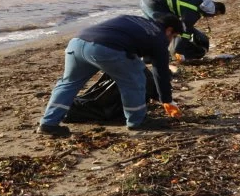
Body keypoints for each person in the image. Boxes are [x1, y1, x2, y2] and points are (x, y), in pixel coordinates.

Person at [37, 14, 183, 137]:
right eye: (174, 36)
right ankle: (137, 121)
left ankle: (48, 123)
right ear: (169, 30)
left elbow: (141, 50)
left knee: (69, 83)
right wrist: (167, 100)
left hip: (77, 43)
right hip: (105, 49)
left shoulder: (134, 19)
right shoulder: (159, 37)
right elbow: (161, 72)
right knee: (135, 80)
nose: (171, 41)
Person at [139, 0, 225, 59]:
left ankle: (149, 53)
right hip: (154, 4)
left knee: (155, 29)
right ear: (214, 11)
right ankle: (149, 56)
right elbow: (184, 31)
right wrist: (179, 52)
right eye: (215, 15)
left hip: (149, 0)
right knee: (165, 29)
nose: (213, 17)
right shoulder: (193, 12)